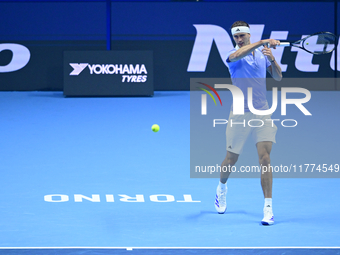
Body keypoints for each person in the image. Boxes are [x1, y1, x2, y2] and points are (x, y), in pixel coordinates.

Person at [214, 21, 282, 225]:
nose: (239, 39)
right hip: (239, 114)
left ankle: (268, 208)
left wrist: (273, 59)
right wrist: (262, 42)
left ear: (248, 35)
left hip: (262, 112)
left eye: (242, 35)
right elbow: (237, 54)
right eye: (236, 36)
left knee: (265, 159)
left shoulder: (262, 55)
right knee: (231, 159)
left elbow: (278, 77)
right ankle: (222, 188)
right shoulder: (232, 55)